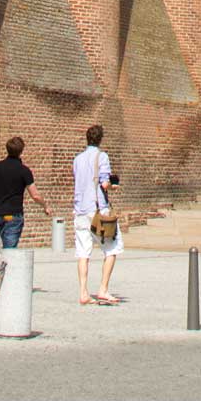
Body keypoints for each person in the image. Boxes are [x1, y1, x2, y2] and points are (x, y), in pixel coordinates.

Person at [0, 135, 47, 293]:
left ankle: (5, 280)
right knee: (9, 250)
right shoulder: (24, 171)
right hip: (14, 215)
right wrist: (45, 206)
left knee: (7, 247)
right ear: (21, 151)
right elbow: (35, 195)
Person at [73, 124, 123, 306]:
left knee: (83, 252)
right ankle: (103, 289)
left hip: (80, 210)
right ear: (100, 139)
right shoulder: (102, 157)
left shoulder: (77, 159)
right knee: (113, 248)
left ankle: (83, 292)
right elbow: (104, 184)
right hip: (97, 210)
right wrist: (113, 185)